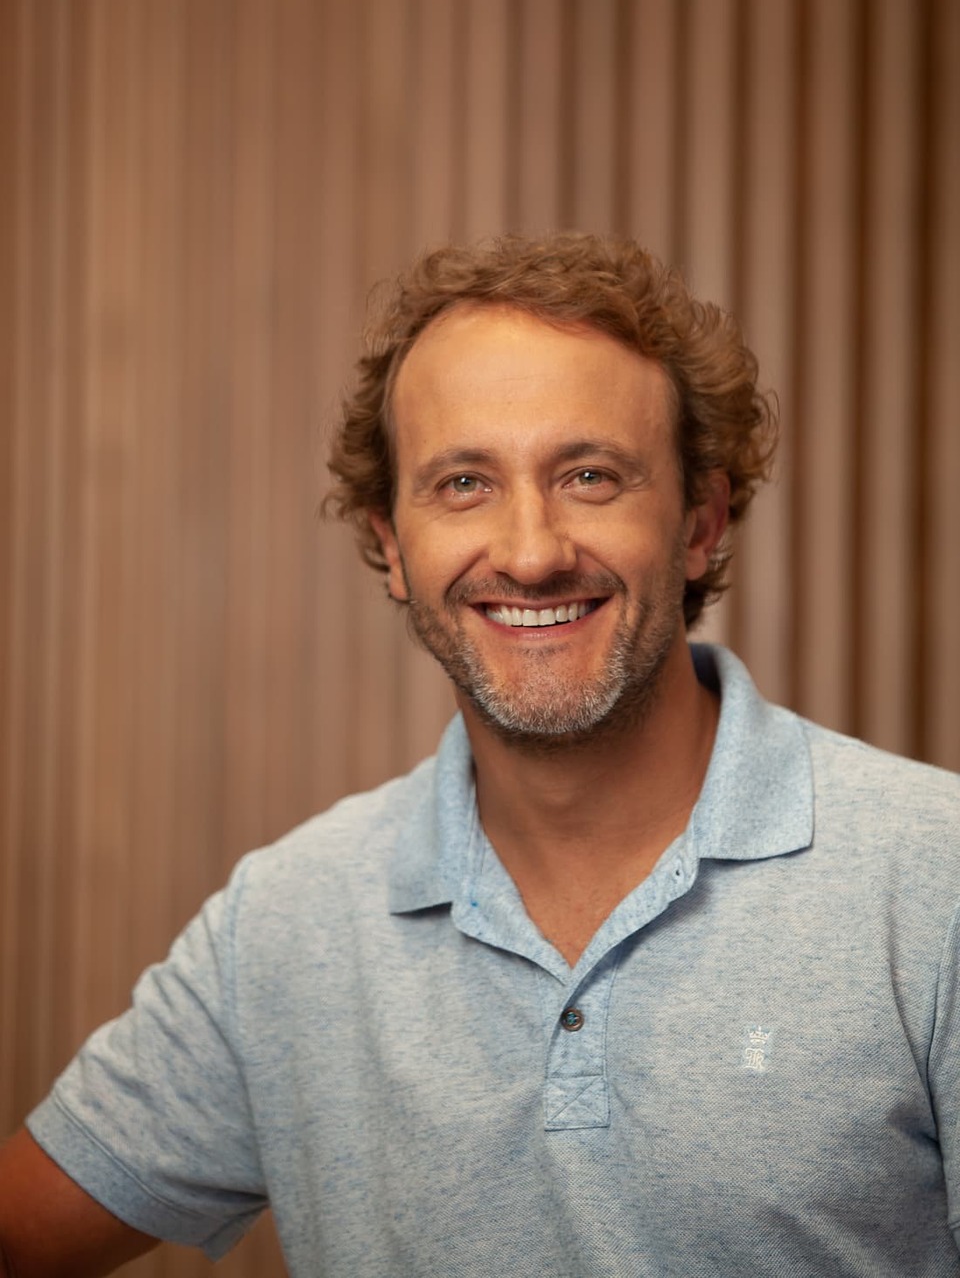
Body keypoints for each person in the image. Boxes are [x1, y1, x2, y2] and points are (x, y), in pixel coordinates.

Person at [1, 233, 958, 1277]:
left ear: (699, 522)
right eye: (464, 484)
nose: (531, 553)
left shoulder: (934, 882)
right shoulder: (283, 926)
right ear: (393, 544)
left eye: (590, 476)